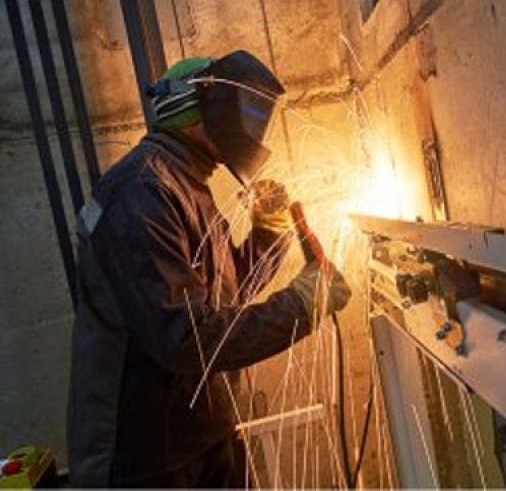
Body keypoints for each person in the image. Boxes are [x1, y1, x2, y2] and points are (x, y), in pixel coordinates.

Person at [67, 51, 351, 487]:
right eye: (248, 114)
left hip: (201, 430)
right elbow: (190, 340)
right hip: (147, 459)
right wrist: (302, 303)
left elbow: (222, 295)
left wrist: (267, 234)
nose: (254, 131)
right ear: (204, 113)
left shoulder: (185, 183)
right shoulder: (142, 194)